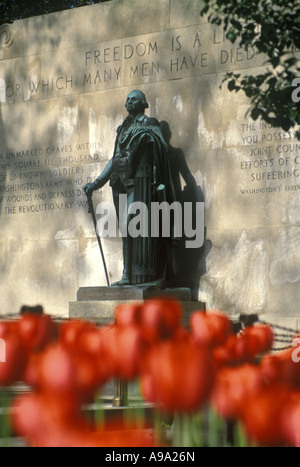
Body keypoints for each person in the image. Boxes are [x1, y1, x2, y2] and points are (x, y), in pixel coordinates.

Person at [83, 89, 176, 287]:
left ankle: (157, 273)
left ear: (144, 103)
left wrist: (147, 138)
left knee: (137, 223)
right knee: (126, 229)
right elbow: (114, 158)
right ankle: (127, 273)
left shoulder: (149, 124)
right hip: (119, 182)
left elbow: (163, 146)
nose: (129, 102)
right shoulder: (123, 128)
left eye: (134, 99)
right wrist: (96, 183)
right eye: (128, 99)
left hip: (141, 182)